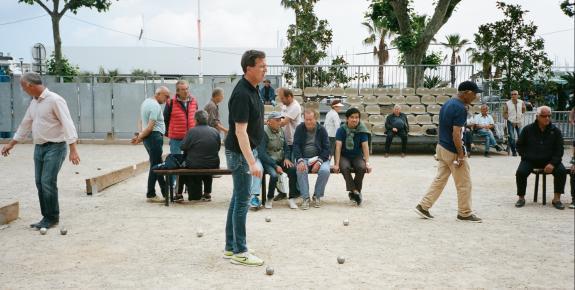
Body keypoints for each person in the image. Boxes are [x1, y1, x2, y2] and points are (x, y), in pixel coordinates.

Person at [1, 72, 81, 229]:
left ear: (30, 85)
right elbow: (25, 124)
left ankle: (52, 217)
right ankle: (46, 216)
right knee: (39, 182)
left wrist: (73, 149)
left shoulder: (55, 100)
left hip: (55, 147)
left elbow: (68, 123)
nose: (23, 90)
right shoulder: (34, 103)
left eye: (23, 86)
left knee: (47, 182)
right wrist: (12, 143)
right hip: (39, 148)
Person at [414, 81, 483, 223]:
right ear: (467, 92)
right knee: (464, 183)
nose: (476, 96)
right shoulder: (460, 108)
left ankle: (423, 206)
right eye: (475, 93)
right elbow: (456, 134)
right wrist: (461, 154)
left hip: (442, 147)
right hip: (452, 149)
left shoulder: (448, 103)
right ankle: (464, 213)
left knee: (440, 180)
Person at [223, 49, 266, 266]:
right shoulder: (241, 93)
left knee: (237, 199)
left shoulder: (254, 89)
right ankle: (240, 251)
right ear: (248, 68)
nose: (265, 69)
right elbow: (240, 131)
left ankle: (231, 247)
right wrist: (251, 161)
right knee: (242, 201)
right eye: (261, 66)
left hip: (246, 151)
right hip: (240, 154)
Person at [515, 106, 566, 210]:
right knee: (520, 172)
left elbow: (559, 150)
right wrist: (526, 156)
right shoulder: (527, 129)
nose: (547, 118)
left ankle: (556, 199)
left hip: (550, 160)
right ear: (537, 116)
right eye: (544, 116)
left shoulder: (555, 131)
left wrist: (552, 163)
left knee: (561, 171)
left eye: (549, 116)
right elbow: (519, 145)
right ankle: (521, 198)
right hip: (530, 160)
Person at [131, 86, 170, 203]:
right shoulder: (155, 106)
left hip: (148, 138)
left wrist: (140, 135)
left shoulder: (145, 102)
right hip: (154, 137)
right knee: (156, 166)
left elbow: (141, 121)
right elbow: (150, 126)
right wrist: (139, 137)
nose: (167, 99)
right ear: (158, 94)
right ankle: (152, 194)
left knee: (156, 165)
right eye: (166, 96)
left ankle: (163, 192)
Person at [164, 79, 199, 200]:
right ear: (177, 91)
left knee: (190, 163)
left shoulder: (194, 101)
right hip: (176, 139)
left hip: (190, 139)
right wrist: (170, 134)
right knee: (174, 164)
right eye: (183, 90)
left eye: (187, 89)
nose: (186, 91)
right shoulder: (171, 103)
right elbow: (166, 120)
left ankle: (189, 187)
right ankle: (174, 188)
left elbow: (196, 118)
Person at [256, 111, 298, 209]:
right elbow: (262, 154)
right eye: (277, 120)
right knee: (274, 175)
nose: (280, 122)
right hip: (268, 161)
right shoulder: (263, 132)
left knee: (292, 170)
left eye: (280, 120)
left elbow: (286, 147)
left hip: (280, 159)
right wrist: (275, 166)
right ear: (269, 122)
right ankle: (270, 198)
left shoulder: (281, 130)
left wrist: (287, 158)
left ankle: (291, 198)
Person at [333, 107, 372, 206]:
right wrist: (336, 164)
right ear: (347, 119)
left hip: (357, 156)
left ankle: (354, 193)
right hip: (344, 156)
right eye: (352, 117)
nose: (354, 119)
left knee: (361, 167)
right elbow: (338, 147)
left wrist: (367, 163)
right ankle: (355, 191)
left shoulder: (362, 130)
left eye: (357, 117)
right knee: (344, 167)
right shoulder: (341, 130)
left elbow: (365, 147)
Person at [293, 109, 331, 210]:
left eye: (311, 119)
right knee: (300, 169)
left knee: (325, 171)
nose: (308, 122)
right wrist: (300, 160)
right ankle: (305, 198)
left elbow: (327, 148)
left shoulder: (322, 129)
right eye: (306, 119)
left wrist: (319, 162)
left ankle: (317, 196)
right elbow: (296, 145)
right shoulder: (299, 128)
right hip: (304, 157)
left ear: (315, 119)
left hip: (320, 157)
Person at [180, 110, 221, 202]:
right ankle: (207, 193)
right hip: (213, 164)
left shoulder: (192, 131)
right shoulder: (215, 131)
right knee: (207, 165)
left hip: (194, 164)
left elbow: (183, 147)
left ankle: (179, 194)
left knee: (182, 167)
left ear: (196, 120)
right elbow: (218, 148)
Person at [273, 87, 302, 203]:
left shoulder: (295, 106)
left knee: (292, 169)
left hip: (293, 142)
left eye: (283, 98)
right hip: (284, 140)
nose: (281, 101)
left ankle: (295, 192)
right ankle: (282, 192)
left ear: (289, 96)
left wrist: (270, 123)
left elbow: (284, 122)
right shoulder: (285, 105)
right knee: (278, 167)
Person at [503, 90, 526, 156]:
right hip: (511, 121)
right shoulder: (507, 103)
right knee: (512, 137)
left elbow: (524, 110)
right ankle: (514, 151)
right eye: (512, 94)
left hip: (519, 121)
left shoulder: (521, 102)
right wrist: (508, 118)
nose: (513, 95)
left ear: (518, 95)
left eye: (515, 94)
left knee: (520, 137)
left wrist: (520, 115)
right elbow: (504, 112)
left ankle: (519, 150)